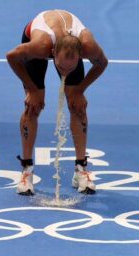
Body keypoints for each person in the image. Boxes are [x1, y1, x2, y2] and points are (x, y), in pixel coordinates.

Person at [6, 9, 108, 195]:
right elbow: (11, 56)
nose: (65, 73)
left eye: (71, 67)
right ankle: (26, 172)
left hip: (68, 44)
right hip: (39, 37)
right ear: (53, 54)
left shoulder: (88, 46)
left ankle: (81, 170)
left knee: (77, 106)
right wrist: (31, 89)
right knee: (33, 106)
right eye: (60, 67)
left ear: (80, 56)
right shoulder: (40, 46)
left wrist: (79, 90)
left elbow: (102, 63)